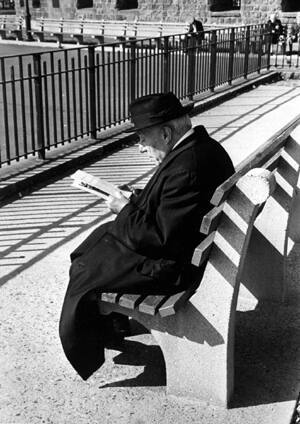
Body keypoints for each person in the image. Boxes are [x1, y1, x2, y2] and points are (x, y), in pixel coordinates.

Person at [59, 92, 235, 380]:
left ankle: (87, 349)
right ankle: (111, 328)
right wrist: (136, 199)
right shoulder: (199, 149)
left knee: (84, 269)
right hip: (186, 249)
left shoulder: (186, 167)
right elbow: (173, 209)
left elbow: (158, 237)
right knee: (92, 246)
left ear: (165, 133)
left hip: (172, 269)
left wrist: (124, 208)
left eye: (142, 137)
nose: (140, 147)